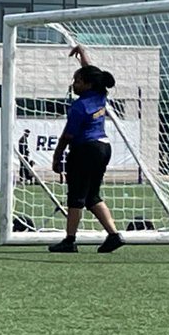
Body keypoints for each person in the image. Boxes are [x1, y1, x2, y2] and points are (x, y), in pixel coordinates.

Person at [48, 45, 125, 254]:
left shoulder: (79, 107)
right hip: (103, 148)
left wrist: (56, 157)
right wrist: (82, 55)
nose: (74, 84)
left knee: (76, 196)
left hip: (86, 149)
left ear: (87, 85)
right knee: (92, 196)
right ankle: (114, 235)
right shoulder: (100, 94)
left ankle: (70, 240)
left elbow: (67, 135)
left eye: (78, 81)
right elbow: (93, 73)